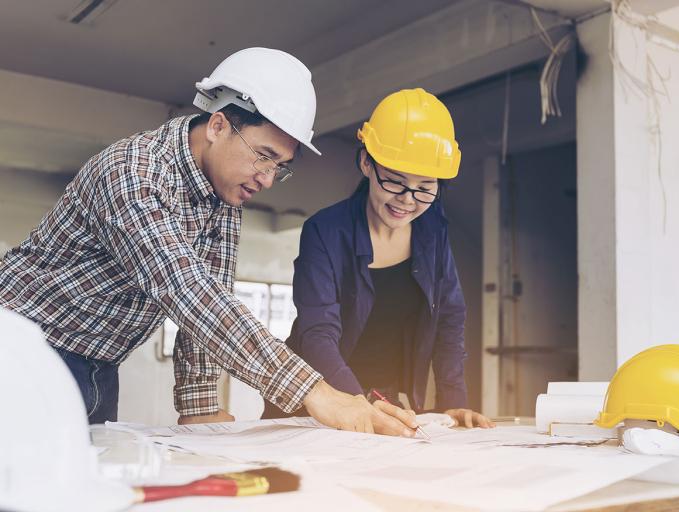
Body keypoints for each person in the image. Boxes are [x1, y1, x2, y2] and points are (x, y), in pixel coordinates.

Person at [0, 48, 417, 437]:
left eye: (281, 167)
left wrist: (199, 405)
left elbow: (213, 289)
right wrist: (321, 395)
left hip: (100, 368)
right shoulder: (132, 174)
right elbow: (189, 293)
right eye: (264, 155)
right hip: (20, 357)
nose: (268, 179)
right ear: (218, 124)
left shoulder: (225, 195)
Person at [268, 88, 493, 428]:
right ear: (366, 164)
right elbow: (318, 333)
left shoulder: (433, 229)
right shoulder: (325, 231)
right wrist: (357, 405)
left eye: (425, 187)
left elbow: (450, 318)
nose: (407, 200)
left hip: (383, 400)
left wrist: (452, 404)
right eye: (395, 181)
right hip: (316, 403)